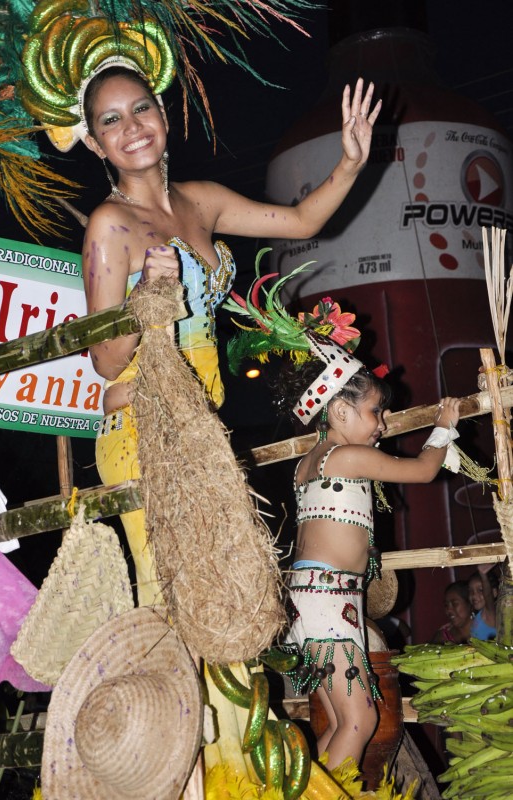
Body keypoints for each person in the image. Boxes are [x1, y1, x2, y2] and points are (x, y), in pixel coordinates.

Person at [81, 66, 381, 606]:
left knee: (228, 597)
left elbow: (301, 221)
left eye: (141, 108)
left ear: (163, 115)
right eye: (111, 120)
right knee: (177, 603)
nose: (132, 127)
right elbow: (104, 359)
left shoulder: (202, 200)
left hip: (203, 428)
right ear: (95, 143)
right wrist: (145, 298)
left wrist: (351, 162)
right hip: (142, 432)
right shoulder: (109, 224)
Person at [264, 340, 461, 771]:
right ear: (339, 412)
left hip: (318, 600)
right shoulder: (348, 456)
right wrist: (444, 426)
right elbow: (424, 470)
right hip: (328, 602)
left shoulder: (308, 462)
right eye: (376, 411)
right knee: (359, 720)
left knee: (340, 723)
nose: (384, 424)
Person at [431, 581, 473, 645]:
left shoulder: (486, 630)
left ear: (470, 603)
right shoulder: (442, 638)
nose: (449, 610)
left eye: (455, 604)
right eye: (446, 605)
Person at [469, 564, 499, 640]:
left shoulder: (490, 614)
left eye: (480, 590)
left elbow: (488, 596)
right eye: (471, 591)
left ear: (494, 593)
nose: (474, 595)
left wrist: (483, 576)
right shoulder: (479, 614)